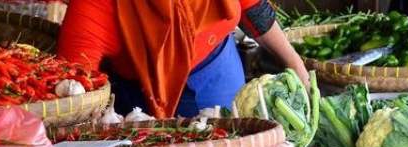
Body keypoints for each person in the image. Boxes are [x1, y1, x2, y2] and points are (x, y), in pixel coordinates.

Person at [58, 0, 309, 119]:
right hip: (137, 99)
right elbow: (72, 92)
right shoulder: (93, 7)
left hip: (216, 68)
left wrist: (297, 67)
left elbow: (255, 12)